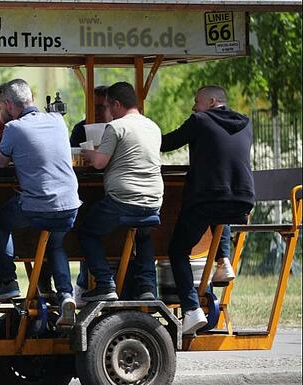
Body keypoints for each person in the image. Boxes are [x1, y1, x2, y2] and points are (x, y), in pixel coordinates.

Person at [160, 85, 254, 334]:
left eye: (196, 101)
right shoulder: (246, 122)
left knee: (178, 250)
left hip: (208, 199)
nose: (193, 106)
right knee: (221, 211)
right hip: (242, 200)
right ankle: (224, 259)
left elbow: (167, 143)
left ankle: (191, 310)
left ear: (212, 101)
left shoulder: (200, 121)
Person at [0, 79, 82, 326]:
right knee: (56, 244)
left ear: (8, 105)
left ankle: (7, 280)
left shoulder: (14, 129)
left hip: (38, 205)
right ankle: (65, 296)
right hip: (70, 204)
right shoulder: (58, 121)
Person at [78, 82, 163, 303]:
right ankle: (147, 287)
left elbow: (99, 163)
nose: (106, 111)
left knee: (87, 230)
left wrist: (87, 152)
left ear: (116, 104)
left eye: (107, 106)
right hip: (154, 199)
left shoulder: (116, 127)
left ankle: (105, 283)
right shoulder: (153, 126)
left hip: (123, 199)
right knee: (143, 235)